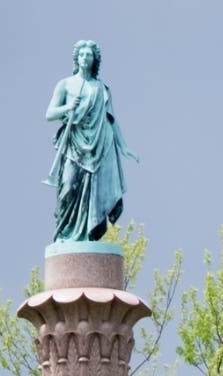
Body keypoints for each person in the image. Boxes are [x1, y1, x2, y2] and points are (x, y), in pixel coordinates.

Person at [45, 40, 139, 242]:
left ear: (95, 59)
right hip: (74, 144)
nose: (85, 58)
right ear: (76, 58)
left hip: (100, 143)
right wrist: (67, 108)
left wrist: (124, 147)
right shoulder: (65, 84)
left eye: (89, 55)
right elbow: (49, 114)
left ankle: (87, 235)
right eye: (81, 55)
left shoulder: (101, 88)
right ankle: (64, 234)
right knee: (68, 187)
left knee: (95, 193)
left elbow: (110, 120)